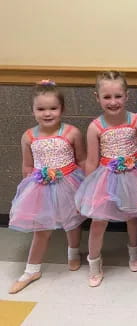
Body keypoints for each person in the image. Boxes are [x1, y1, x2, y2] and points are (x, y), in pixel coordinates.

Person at [75, 71, 137, 287]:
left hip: (135, 174)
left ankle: (133, 250)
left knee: (133, 215)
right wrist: (87, 190)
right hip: (105, 177)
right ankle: (94, 262)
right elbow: (92, 160)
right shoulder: (96, 127)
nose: (113, 102)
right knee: (98, 221)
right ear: (97, 97)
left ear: (127, 95)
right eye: (107, 97)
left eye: (118, 96)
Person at [9, 80, 87, 294]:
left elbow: (82, 160)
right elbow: (27, 165)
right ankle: (32, 269)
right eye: (41, 109)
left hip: (70, 182)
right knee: (41, 230)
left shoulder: (72, 132)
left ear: (62, 109)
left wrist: (86, 187)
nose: (47, 113)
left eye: (53, 108)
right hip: (40, 187)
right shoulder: (29, 136)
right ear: (33, 110)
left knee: (72, 221)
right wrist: (28, 186)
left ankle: (73, 252)